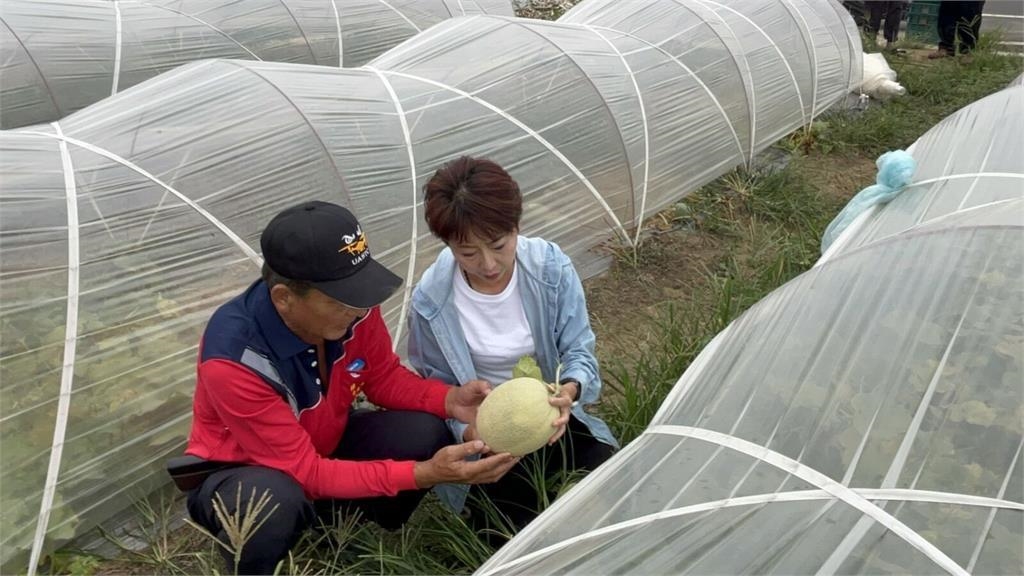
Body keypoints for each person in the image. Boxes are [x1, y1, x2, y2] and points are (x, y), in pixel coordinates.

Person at [179, 200, 518, 575]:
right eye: (341, 299)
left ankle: (337, 530)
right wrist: (425, 473)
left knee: (424, 430)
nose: (360, 308)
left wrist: (451, 400)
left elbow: (382, 377)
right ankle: (260, 562)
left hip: (325, 444)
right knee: (271, 503)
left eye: (360, 290)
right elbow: (305, 471)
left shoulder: (355, 306)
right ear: (284, 298)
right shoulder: (234, 359)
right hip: (246, 472)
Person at [406, 156, 619, 539]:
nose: (488, 264)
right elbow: (435, 392)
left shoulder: (550, 269)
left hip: (553, 419)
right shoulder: (430, 303)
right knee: (515, 537)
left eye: (498, 245)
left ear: (516, 227)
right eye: (468, 253)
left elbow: (579, 350)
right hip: (489, 438)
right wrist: (468, 431)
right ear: (448, 244)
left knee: (611, 495)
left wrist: (570, 389)